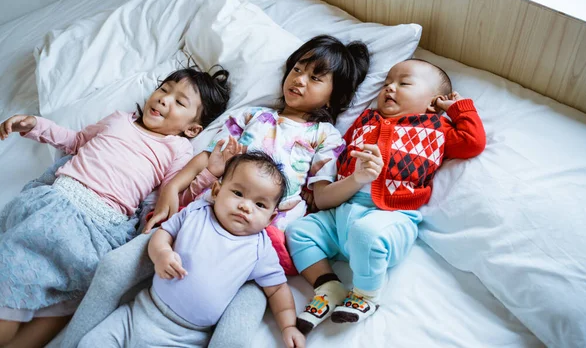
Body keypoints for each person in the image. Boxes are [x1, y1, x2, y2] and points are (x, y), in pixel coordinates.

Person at [58, 34, 371, 348]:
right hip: (206, 217)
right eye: (297, 70)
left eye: (315, 78)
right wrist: (173, 188)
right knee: (114, 267)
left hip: (261, 244)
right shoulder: (253, 117)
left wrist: (357, 179)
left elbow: (322, 196)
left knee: (240, 323)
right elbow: (208, 158)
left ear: (334, 97)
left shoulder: (324, 135)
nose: (300, 80)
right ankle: (67, 343)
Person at [0, 66, 230, 348]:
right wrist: (35, 125)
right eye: (164, 90)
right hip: (55, 207)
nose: (163, 99)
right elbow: (75, 141)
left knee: (64, 306)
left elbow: (171, 200)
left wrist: (208, 175)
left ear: (192, 129)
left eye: (179, 102)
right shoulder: (119, 120)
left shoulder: (177, 148)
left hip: (99, 233)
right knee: (12, 274)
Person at [286, 58, 487, 334]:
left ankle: (366, 295)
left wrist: (456, 109)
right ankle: (327, 284)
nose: (389, 88)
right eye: (386, 83)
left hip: (391, 216)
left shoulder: (437, 129)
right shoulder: (367, 120)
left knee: (367, 234)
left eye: (403, 83)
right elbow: (339, 154)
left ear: (433, 102)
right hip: (342, 213)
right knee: (297, 230)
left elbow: (472, 141)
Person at [78, 151, 305, 348]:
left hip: (186, 338)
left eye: (260, 205)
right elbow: (162, 233)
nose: (246, 206)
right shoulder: (198, 212)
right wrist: (162, 254)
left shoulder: (260, 248)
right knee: (90, 343)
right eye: (238, 193)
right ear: (216, 191)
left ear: (270, 218)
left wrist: (288, 327)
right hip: (139, 312)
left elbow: (277, 290)